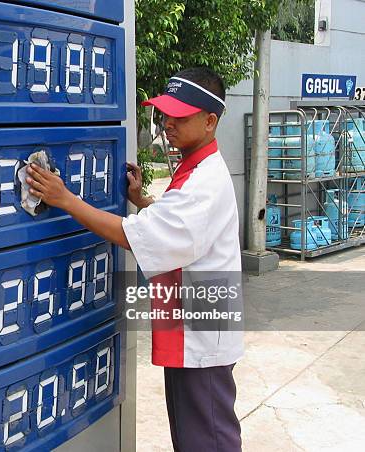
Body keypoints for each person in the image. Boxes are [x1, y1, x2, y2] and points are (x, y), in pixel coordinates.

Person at [26, 67, 243, 451]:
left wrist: (65, 199)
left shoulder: (204, 183)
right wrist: (142, 201)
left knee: (207, 439)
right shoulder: (193, 169)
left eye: (180, 116)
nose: (168, 123)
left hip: (200, 338)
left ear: (210, 121)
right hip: (189, 327)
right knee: (194, 437)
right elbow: (179, 228)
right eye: (165, 113)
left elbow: (135, 236)